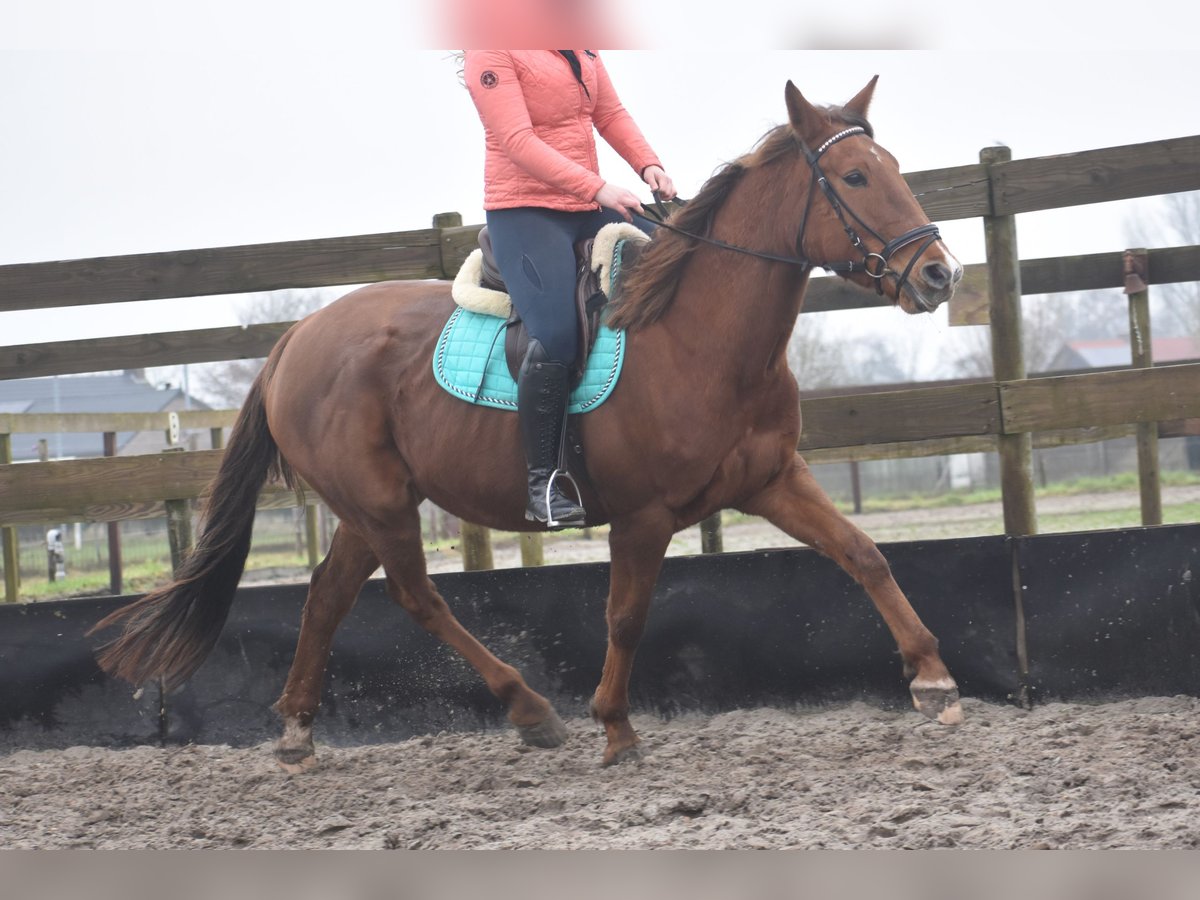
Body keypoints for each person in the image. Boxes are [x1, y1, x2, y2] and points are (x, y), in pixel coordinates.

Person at [464, 50, 676, 529]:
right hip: (524, 210)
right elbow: (516, 141)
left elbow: (609, 113)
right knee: (557, 333)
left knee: (678, 268)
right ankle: (544, 482)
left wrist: (648, 165)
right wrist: (599, 188)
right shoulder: (490, 49)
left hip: (583, 200)